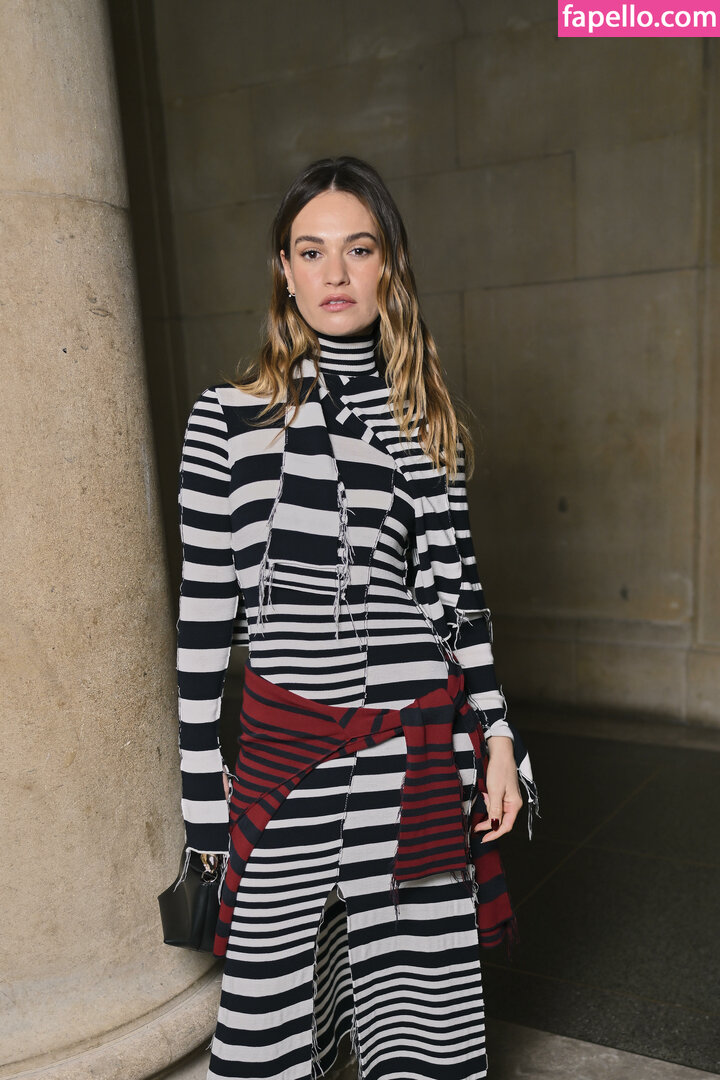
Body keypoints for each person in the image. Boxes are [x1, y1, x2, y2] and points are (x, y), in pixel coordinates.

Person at [175, 156, 537, 1080]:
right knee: (263, 1023)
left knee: (421, 1017)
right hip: (288, 744)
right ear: (285, 271)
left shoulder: (431, 428)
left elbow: (459, 602)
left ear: (389, 266)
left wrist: (500, 741)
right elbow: (204, 621)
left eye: (358, 249)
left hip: (415, 746)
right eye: (312, 251)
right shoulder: (227, 421)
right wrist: (202, 801)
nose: (334, 273)